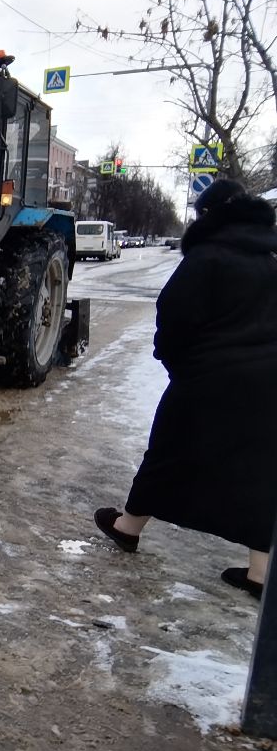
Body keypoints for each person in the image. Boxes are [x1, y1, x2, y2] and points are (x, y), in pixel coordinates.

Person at [93, 179, 277, 600]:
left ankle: (127, 528)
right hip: (268, 380)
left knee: (169, 452)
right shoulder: (270, 258)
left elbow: (173, 316)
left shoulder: (208, 256)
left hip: (210, 376)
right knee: (259, 469)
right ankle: (261, 573)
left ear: (209, 216)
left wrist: (176, 362)